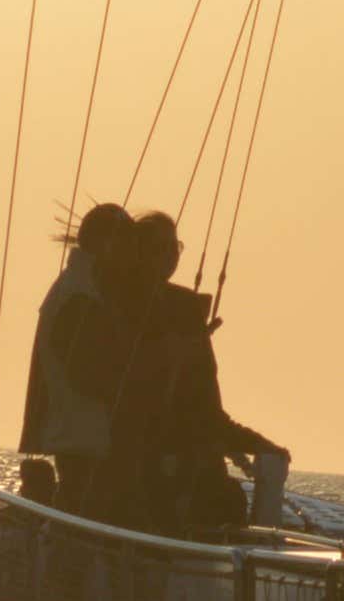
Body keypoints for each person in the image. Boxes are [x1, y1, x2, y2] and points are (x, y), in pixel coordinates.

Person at [106, 211, 286, 536]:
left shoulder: (181, 307)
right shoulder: (124, 308)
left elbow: (204, 407)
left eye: (175, 246)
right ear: (139, 251)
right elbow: (171, 402)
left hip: (192, 465)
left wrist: (253, 443)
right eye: (160, 247)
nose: (171, 255)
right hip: (158, 472)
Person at [17, 203, 136, 512]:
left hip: (82, 439)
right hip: (84, 441)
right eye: (127, 244)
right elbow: (88, 376)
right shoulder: (80, 298)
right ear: (106, 244)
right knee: (85, 529)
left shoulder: (80, 289)